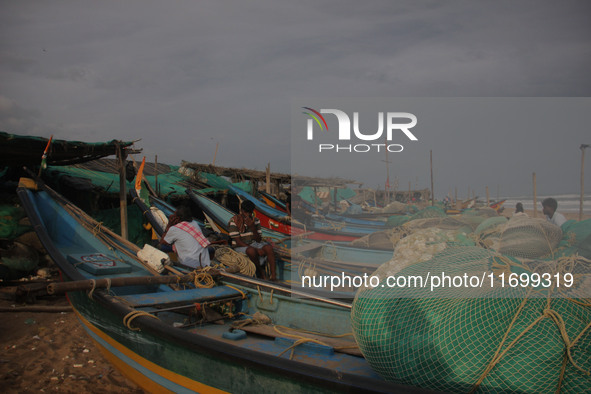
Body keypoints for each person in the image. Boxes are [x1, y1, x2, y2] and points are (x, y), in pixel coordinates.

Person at [228, 200, 277, 281]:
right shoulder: (234, 221)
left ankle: (274, 277)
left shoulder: (255, 220)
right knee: (251, 251)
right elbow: (238, 242)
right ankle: (261, 273)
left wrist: (253, 227)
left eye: (250, 212)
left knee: (268, 248)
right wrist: (257, 250)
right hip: (240, 246)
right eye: (246, 212)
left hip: (254, 243)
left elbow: (258, 240)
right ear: (242, 211)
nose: (248, 214)